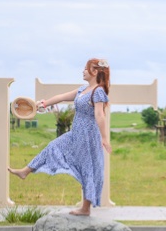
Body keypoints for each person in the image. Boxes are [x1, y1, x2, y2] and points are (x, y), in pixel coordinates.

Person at [9, 58, 111, 216]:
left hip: (88, 137)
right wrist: (43, 104)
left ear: (95, 72)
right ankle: (26, 171)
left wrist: (104, 138)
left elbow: (100, 115)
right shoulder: (81, 90)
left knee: (87, 170)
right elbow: (62, 97)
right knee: (53, 146)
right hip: (75, 133)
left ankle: (85, 208)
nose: (83, 71)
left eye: (86, 68)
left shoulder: (98, 92)